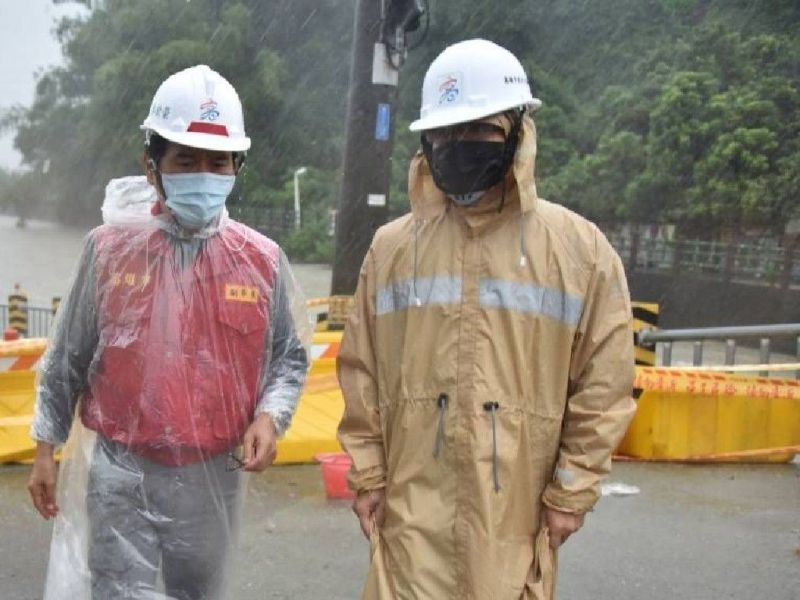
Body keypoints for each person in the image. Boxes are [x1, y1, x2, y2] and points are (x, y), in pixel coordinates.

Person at [337, 39, 636, 599]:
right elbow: (361, 372)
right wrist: (368, 473)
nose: (459, 146)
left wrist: (571, 492)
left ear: (518, 132)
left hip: (517, 515)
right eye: (446, 134)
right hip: (412, 513)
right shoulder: (393, 249)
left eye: (478, 130)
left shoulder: (578, 250)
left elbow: (605, 383)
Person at [27, 64, 310, 600]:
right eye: (186, 160)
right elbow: (67, 356)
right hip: (120, 472)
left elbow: (289, 358)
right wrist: (46, 447)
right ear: (152, 164)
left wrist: (271, 418)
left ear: (236, 166)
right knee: (118, 593)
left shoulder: (261, 261)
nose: (203, 174)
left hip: (212, 476)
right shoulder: (109, 249)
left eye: (217, 162)